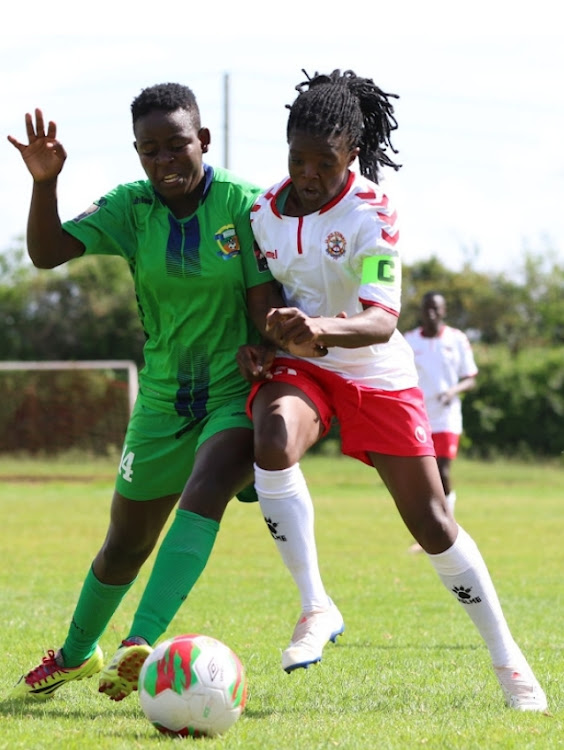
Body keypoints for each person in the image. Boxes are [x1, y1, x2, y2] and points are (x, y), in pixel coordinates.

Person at [236, 68, 547, 710]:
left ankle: (508, 661)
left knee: (433, 522)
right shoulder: (262, 212)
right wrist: (264, 343)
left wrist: (312, 325)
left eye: (326, 161)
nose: (309, 173)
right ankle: (315, 605)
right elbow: (262, 300)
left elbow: (381, 320)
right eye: (299, 158)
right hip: (307, 368)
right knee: (270, 438)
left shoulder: (373, 211)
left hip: (377, 372)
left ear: (352, 153)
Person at [8, 82, 324, 703]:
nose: (164, 161)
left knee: (207, 486)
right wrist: (45, 183)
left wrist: (268, 341)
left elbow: (266, 302)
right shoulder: (131, 208)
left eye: (176, 145)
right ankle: (75, 655)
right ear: (138, 154)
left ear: (201, 140)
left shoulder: (242, 204)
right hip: (159, 403)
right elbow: (46, 254)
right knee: (124, 545)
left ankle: (139, 645)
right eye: (148, 150)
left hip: (234, 392)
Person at [404, 292, 478, 550]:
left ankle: (447, 526)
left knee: (442, 471)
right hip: (418, 416)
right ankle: (428, 531)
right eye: (426, 308)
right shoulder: (409, 340)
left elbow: (470, 377)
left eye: (436, 308)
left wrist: (452, 391)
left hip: (447, 416)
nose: (431, 313)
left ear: (444, 311)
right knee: (424, 475)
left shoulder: (457, 339)